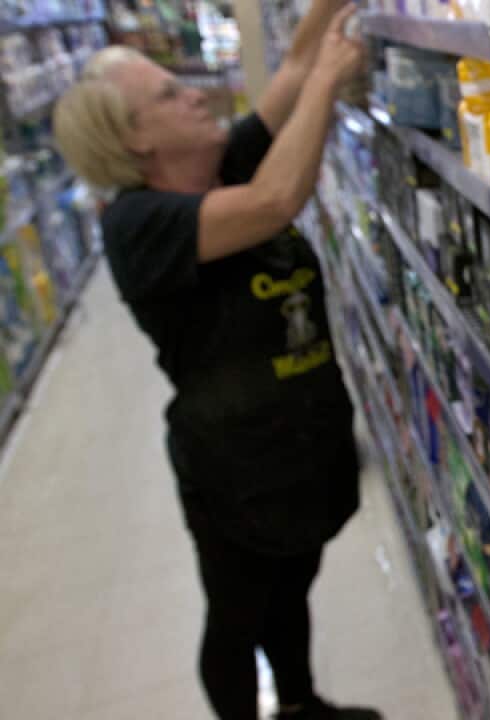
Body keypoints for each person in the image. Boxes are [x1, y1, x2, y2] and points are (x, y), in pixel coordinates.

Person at [52, 3, 377, 718]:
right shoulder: (139, 226)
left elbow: (293, 64)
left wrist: (324, 24)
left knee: (292, 591)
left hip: (303, 447)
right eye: (168, 94)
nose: (195, 91)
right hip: (234, 470)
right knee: (236, 619)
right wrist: (328, 82)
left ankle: (300, 705)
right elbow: (274, 201)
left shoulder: (219, 164)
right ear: (133, 141)